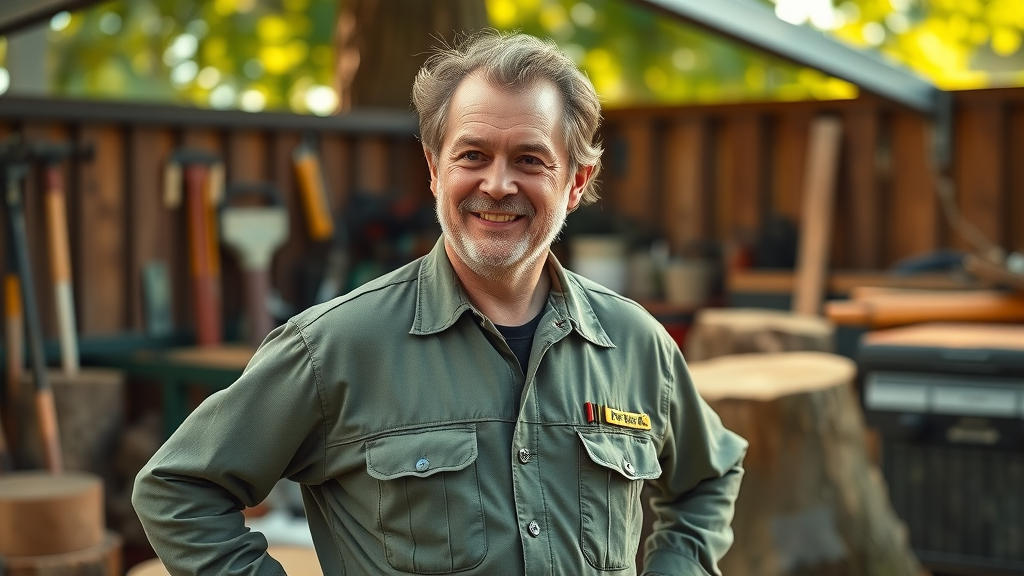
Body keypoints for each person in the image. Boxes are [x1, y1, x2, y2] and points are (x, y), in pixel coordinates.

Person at [133, 29, 747, 576]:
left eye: (530, 160)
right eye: (472, 155)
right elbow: (178, 491)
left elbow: (708, 477)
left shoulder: (636, 343)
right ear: (433, 169)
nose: (498, 184)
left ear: (576, 182)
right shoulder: (335, 348)